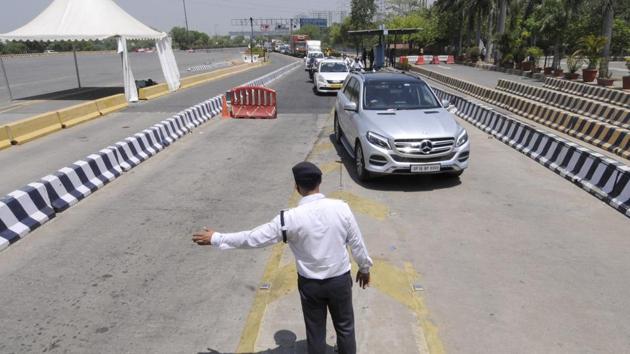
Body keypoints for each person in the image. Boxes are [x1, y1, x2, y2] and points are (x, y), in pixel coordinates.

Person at [192, 162, 373, 354]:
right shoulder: (341, 208)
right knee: (345, 328)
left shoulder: (288, 219)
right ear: (320, 181)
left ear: (296, 187)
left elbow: (253, 238)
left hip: (310, 285)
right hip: (339, 281)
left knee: (316, 332)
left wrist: (217, 238)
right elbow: (357, 242)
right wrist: (364, 268)